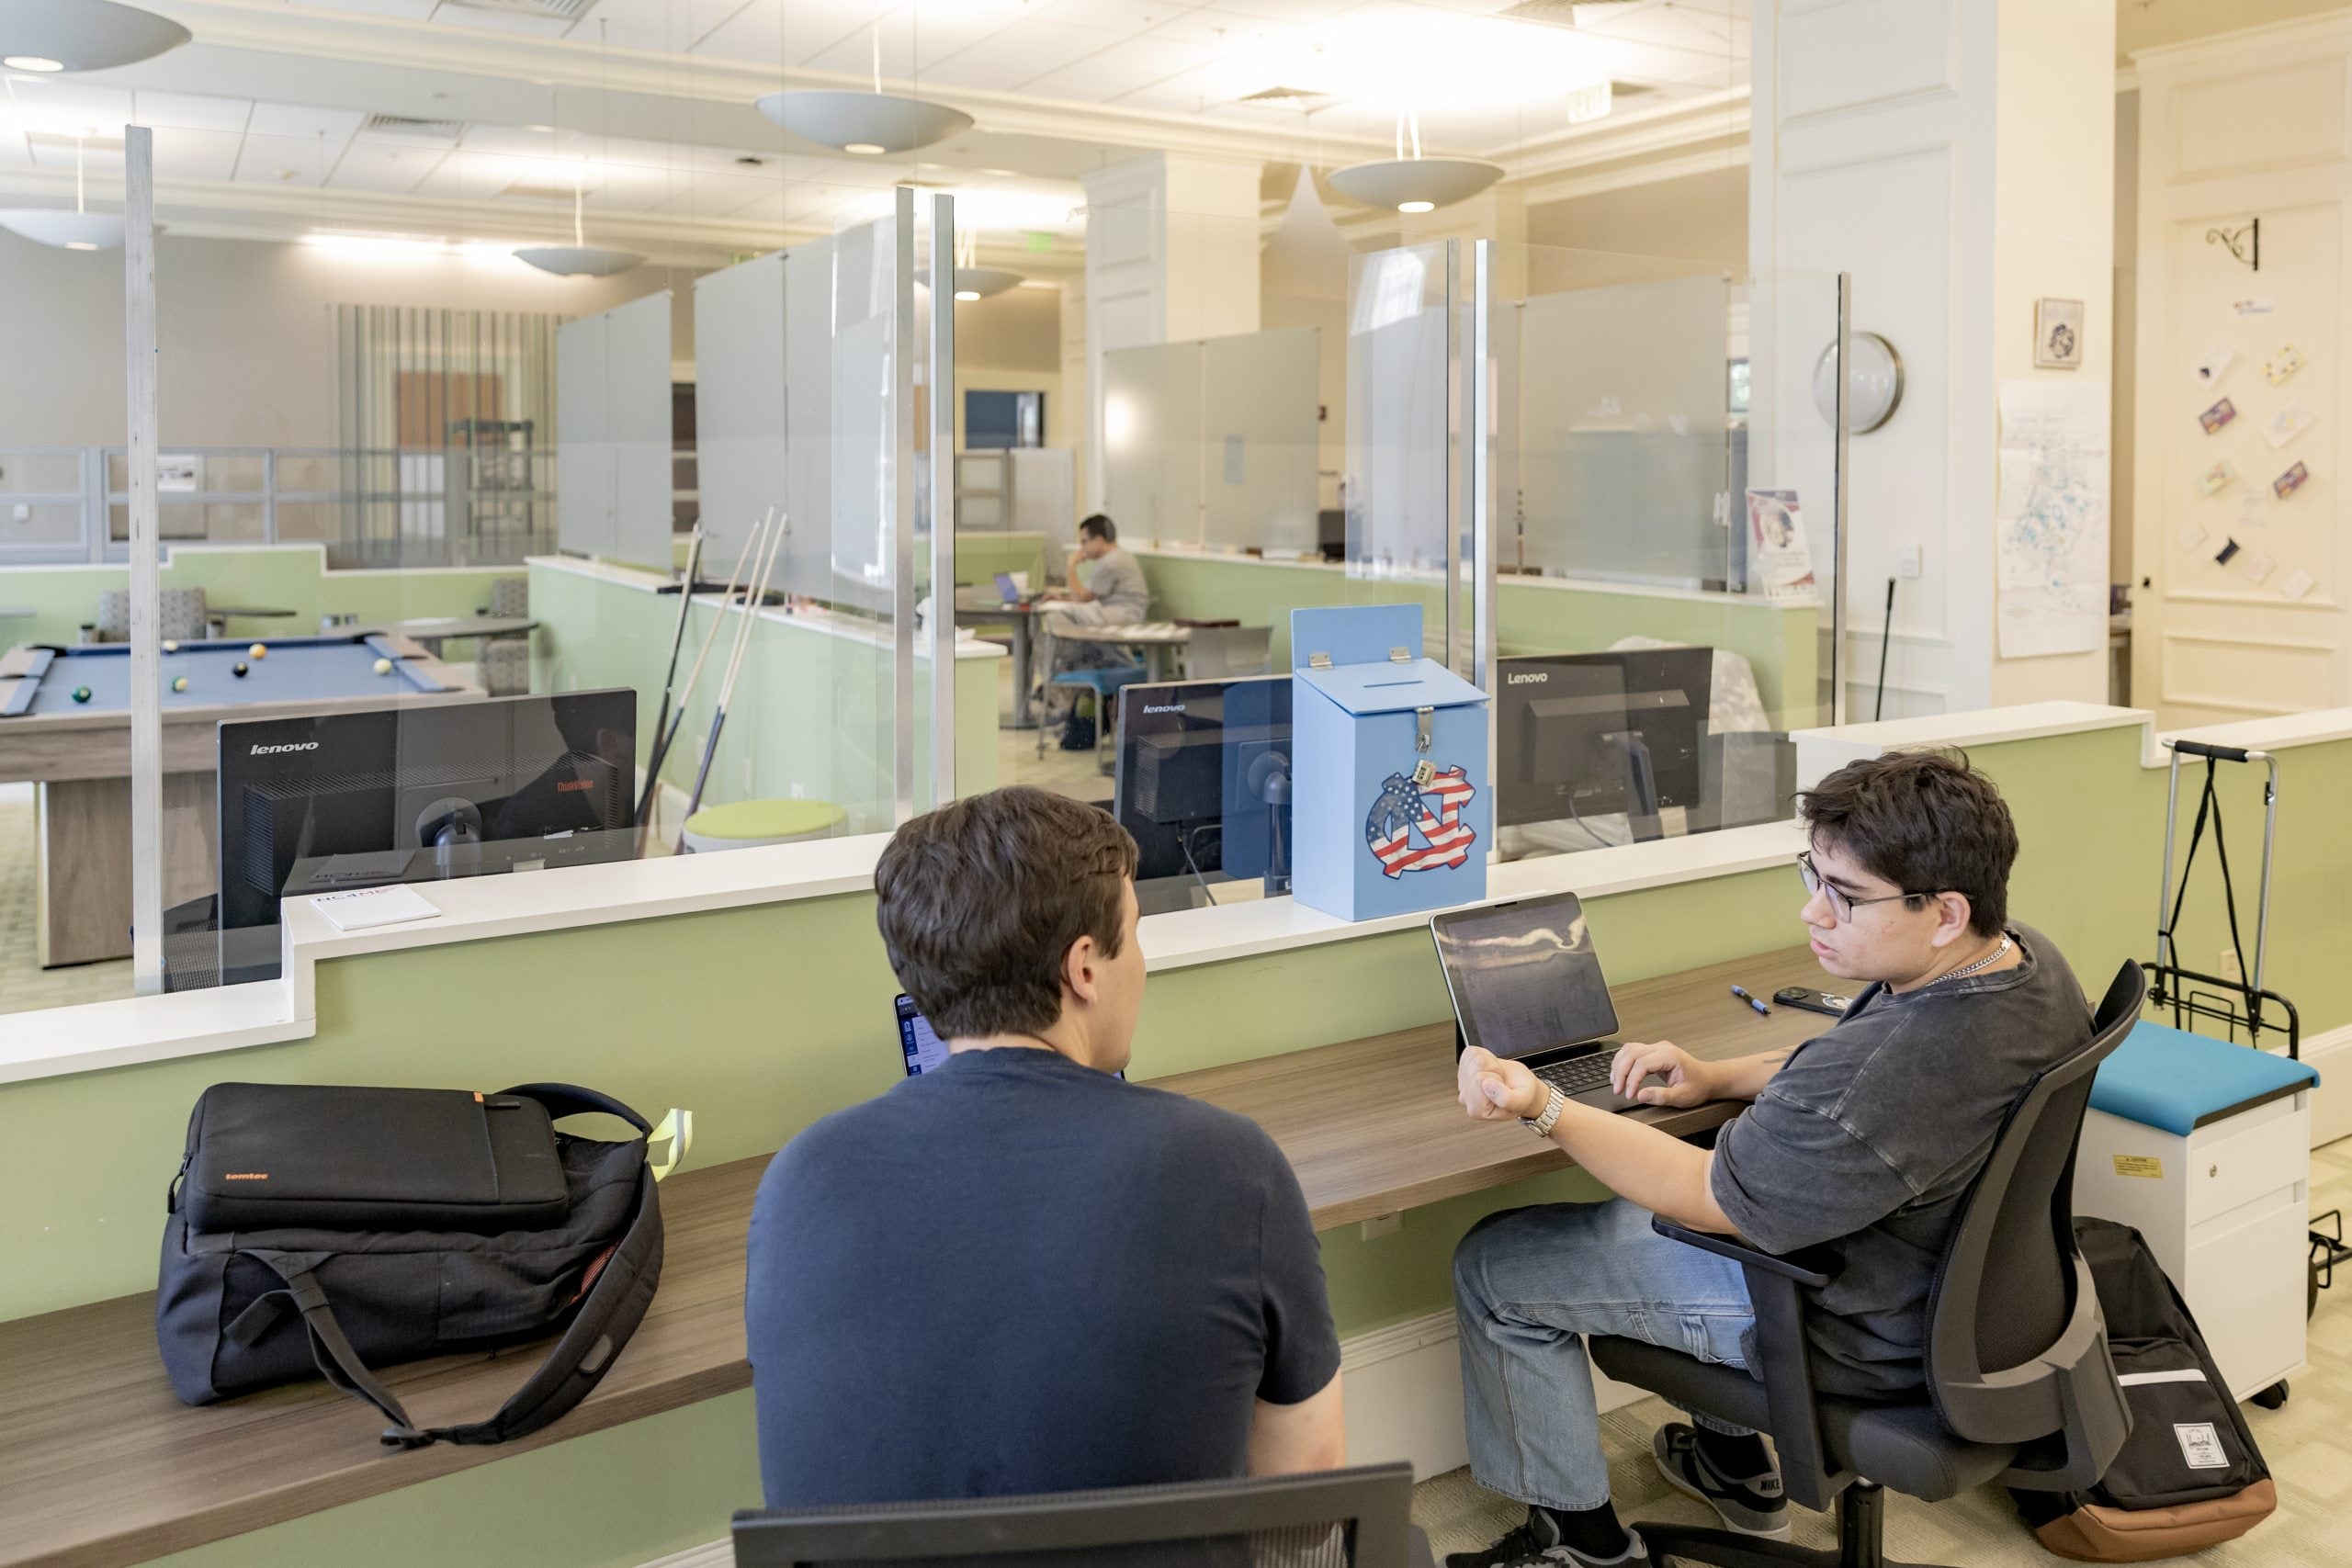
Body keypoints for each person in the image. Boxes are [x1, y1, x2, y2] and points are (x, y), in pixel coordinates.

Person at [1444, 750, 2090, 1568]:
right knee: (1715, 1132)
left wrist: (1541, 1104)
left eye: (1845, 897)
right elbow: (1846, 1060)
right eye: (1812, 877)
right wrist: (1718, 1077)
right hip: (1949, 1288)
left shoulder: (1884, 1074)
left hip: (1844, 1319)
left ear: (1947, 910)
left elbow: (1701, 1193)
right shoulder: (2024, 961)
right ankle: (1731, 1461)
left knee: (1494, 1263)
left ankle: (1583, 1545)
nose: (1812, 914)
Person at [744, 785, 1345, 1508]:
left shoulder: (799, 1180)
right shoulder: (1231, 1167)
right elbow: (1308, 1515)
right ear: (1084, 966)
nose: (1144, 964)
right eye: (1137, 933)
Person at [1036, 513, 1151, 724]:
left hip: (1119, 616)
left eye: (1084, 541)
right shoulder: (1117, 557)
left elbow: (1082, 598)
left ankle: (1057, 686)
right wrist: (1063, 598)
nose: (1082, 548)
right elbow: (1086, 596)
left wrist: (1071, 566)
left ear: (1099, 539)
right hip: (1110, 612)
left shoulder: (1111, 562)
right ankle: (1062, 687)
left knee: (1054, 616)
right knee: (1062, 613)